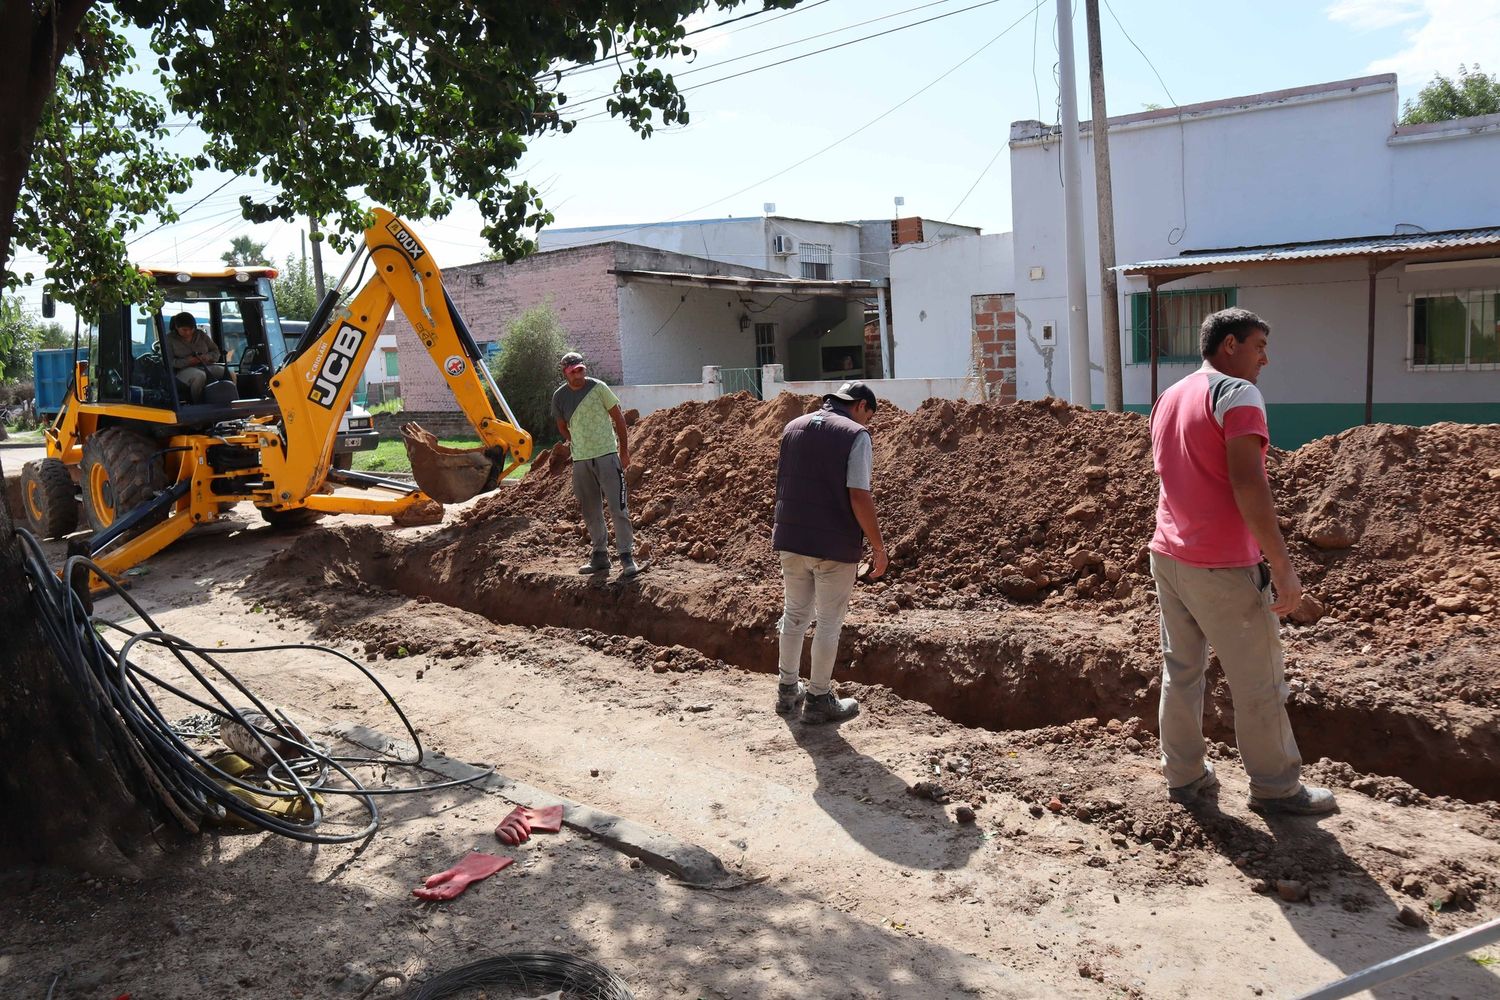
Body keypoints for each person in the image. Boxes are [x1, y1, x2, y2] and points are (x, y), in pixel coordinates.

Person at [1149, 307, 1335, 815]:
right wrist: (1282, 565)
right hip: (1223, 565)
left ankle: (1183, 776)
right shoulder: (1236, 393)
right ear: (1229, 345)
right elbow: (1248, 482)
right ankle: (1276, 788)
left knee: (1181, 670)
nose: (1265, 359)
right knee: (1259, 680)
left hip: (1169, 555)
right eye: (1258, 346)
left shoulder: (1170, 397)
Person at [771, 380, 888, 723]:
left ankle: (787, 691)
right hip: (833, 545)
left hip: (791, 537)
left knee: (794, 615)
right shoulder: (856, 435)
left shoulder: (793, 427)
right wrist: (878, 548)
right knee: (828, 623)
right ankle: (819, 698)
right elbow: (859, 494)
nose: (867, 423)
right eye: (869, 416)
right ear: (862, 405)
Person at [552, 351, 639, 578]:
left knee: (617, 507)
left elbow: (619, 419)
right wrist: (576, 443)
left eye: (581, 369)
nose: (579, 374)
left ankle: (626, 555)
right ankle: (600, 555)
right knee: (590, 509)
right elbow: (562, 426)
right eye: (573, 372)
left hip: (607, 455)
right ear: (566, 373)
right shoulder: (559, 397)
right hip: (581, 460)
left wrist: (623, 450)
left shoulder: (599, 388)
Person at [167, 311, 227, 403]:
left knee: (228, 373)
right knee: (199, 376)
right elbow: (169, 362)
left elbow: (215, 351)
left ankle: (231, 401)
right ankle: (198, 404)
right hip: (181, 371)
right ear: (176, 327)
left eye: (191, 329)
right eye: (184, 330)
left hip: (205, 365)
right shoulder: (169, 339)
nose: (188, 332)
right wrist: (187, 361)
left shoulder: (201, 335)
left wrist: (207, 357)